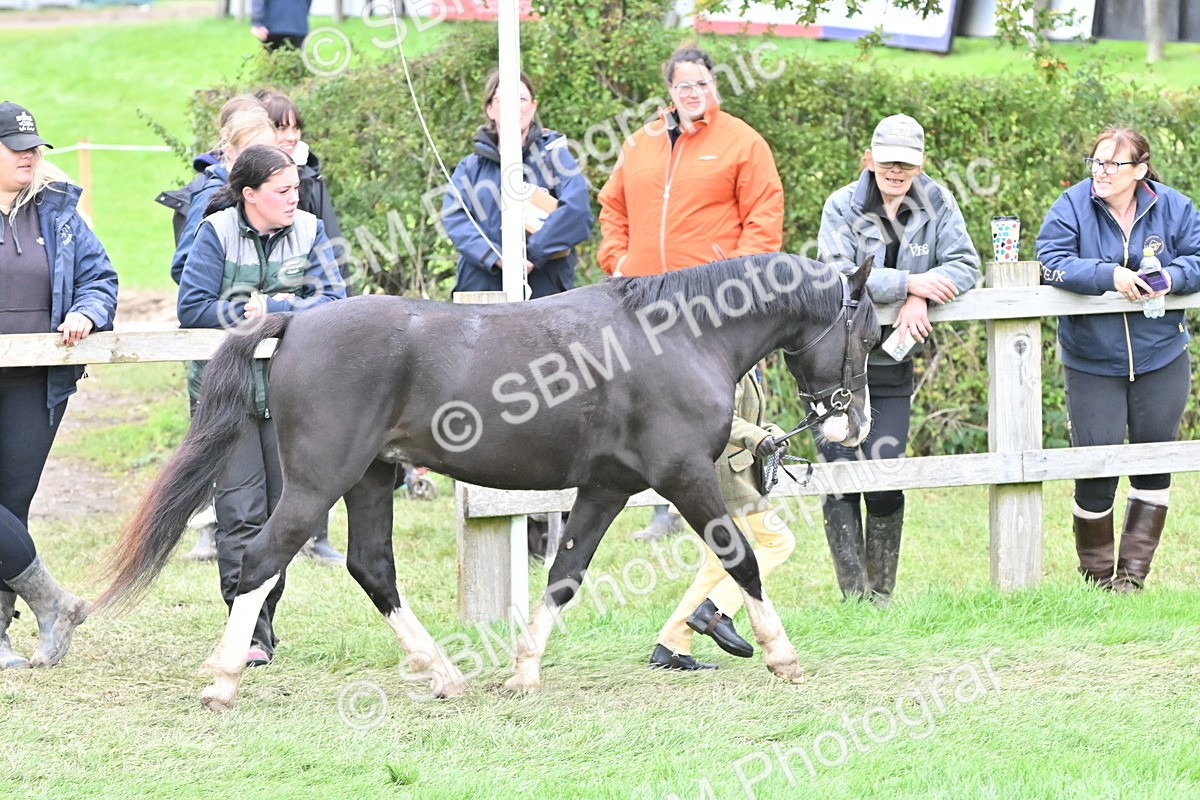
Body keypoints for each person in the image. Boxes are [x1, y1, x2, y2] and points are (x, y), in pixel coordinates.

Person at [597, 45, 784, 540]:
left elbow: (764, 220)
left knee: (721, 409)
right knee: (647, 406)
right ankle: (665, 510)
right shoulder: (640, 143)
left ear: (714, 84)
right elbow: (612, 208)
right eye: (684, 85)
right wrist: (617, 260)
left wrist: (737, 283)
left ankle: (740, 510)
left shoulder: (743, 142)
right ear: (670, 91)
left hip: (712, 310)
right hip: (642, 303)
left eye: (702, 83)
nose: (694, 93)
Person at [177, 144, 345, 666]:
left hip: (294, 396)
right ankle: (248, 631)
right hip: (225, 394)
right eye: (283, 190)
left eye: (297, 188)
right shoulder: (215, 231)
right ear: (249, 194)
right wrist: (248, 312)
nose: (295, 198)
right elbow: (192, 307)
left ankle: (260, 622)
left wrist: (274, 308)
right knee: (239, 515)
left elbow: (336, 303)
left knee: (282, 517)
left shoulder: (312, 231)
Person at [816, 114, 980, 605]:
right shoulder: (841, 205)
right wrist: (908, 283)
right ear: (869, 158)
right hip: (835, 361)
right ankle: (853, 597)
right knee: (840, 473)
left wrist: (921, 297)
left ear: (920, 164)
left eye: (906, 164)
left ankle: (881, 595)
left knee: (886, 473)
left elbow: (966, 264)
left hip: (892, 360)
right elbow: (837, 274)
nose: (895, 171)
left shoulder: (939, 202)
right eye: (887, 161)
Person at [1036, 126, 1200, 592]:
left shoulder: (1175, 207)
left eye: (1113, 164)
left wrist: (1172, 277)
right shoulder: (1071, 205)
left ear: (1140, 170)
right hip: (1092, 359)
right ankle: (1096, 581)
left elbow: (1198, 258)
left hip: (1162, 355)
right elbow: (1049, 261)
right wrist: (1108, 274)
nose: (1102, 172)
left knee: (1153, 463)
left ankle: (1132, 579)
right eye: (1096, 161)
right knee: (1095, 468)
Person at [0, 101, 118, 669]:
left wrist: (86, 312)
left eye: (34, 148)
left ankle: (0, 635)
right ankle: (53, 602)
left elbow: (100, 278)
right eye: (15, 148)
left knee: (10, 507)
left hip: (35, 384)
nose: (29, 157)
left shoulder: (58, 213)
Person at [170, 104, 278, 564]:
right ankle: (210, 533)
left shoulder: (280, 193)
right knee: (232, 481)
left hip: (271, 368)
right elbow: (183, 268)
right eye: (251, 149)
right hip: (222, 356)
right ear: (228, 152)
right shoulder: (212, 199)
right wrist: (242, 299)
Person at [255, 88, 348, 565]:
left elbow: (331, 247)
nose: (290, 136)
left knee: (319, 429)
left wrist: (300, 302)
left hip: (313, 318)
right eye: (280, 127)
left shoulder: (311, 176)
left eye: (295, 127)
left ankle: (318, 532)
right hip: (260, 325)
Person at [649, 370, 794, 670]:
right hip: (723, 480)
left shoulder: (748, 364)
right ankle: (716, 611)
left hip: (729, 477)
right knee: (778, 542)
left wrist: (771, 434)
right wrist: (757, 437)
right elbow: (716, 418)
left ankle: (671, 646)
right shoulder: (726, 363)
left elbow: (747, 418)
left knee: (717, 564)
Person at [441, 70, 593, 300]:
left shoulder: (555, 157)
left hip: (544, 294)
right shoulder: (471, 167)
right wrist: (498, 258)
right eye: (504, 99)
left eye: (521, 99)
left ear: (532, 107)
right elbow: (455, 219)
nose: (514, 107)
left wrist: (532, 254)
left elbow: (577, 210)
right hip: (481, 291)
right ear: (490, 109)